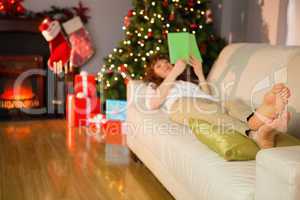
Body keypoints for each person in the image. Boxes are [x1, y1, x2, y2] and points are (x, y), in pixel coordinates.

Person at [143, 55, 291, 149]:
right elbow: (152, 104)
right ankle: (255, 135)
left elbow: (207, 95)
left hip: (207, 101)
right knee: (212, 112)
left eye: (166, 62)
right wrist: (174, 72)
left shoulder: (185, 82)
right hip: (181, 105)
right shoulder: (154, 87)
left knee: (233, 103)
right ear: (153, 74)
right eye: (158, 66)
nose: (165, 65)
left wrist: (199, 72)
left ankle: (258, 119)